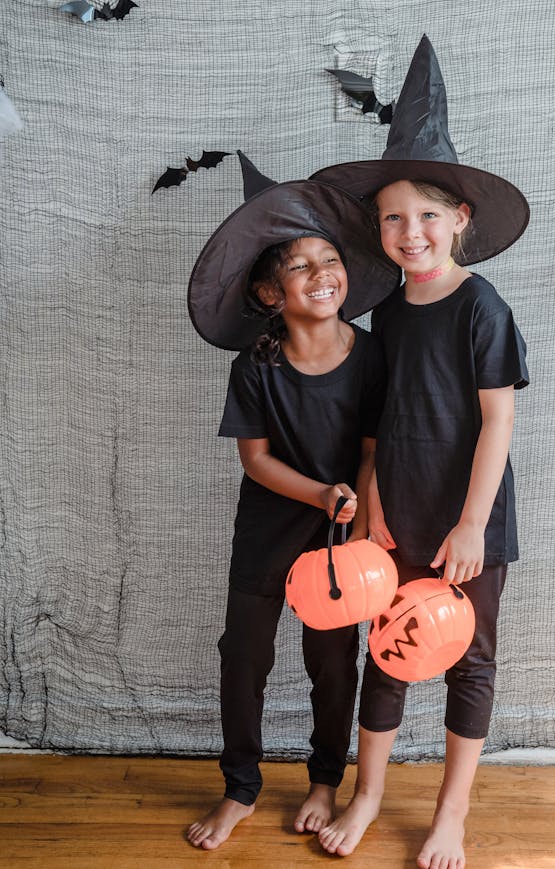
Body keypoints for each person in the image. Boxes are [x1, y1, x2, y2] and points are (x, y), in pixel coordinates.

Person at [312, 36, 530, 869]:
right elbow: (379, 427)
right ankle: (368, 793)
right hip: (396, 513)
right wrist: (370, 505)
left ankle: (450, 816)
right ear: (380, 227)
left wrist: (472, 524)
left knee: (468, 661)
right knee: (390, 650)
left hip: (469, 518)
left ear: (460, 221)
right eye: (395, 217)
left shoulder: (483, 307)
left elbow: (498, 422)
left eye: (428, 216)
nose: (411, 232)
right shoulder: (390, 318)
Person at [185, 152, 400, 850]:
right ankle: (240, 787)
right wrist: (319, 491)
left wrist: (358, 526)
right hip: (269, 525)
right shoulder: (256, 365)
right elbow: (255, 459)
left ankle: (323, 781)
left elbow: (370, 454)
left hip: (340, 537)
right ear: (271, 293)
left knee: (333, 661)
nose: (320, 273)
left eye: (327, 258)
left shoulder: (371, 358)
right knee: (242, 655)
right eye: (299, 266)